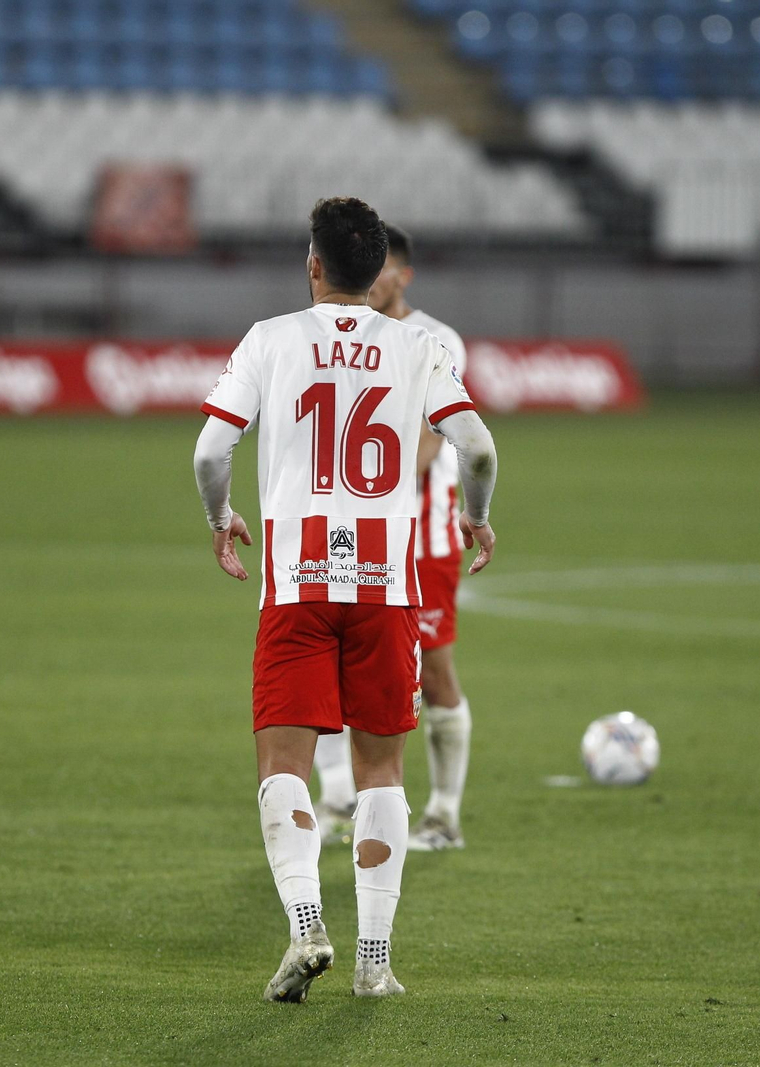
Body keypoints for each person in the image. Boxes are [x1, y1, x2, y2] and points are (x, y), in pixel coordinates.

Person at [193, 198, 499, 1002]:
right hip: (385, 587)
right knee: (381, 769)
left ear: (313, 265)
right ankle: (374, 960)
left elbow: (211, 447)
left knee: (284, 763)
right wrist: (474, 513)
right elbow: (478, 446)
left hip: (297, 584)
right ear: (381, 273)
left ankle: (304, 924)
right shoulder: (419, 344)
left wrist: (220, 517)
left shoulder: (271, 338)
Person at [312, 225, 476, 852]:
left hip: (422, 537)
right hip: (349, 532)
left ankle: (444, 813)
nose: (370, 282)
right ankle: (335, 797)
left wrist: (364, 480)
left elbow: (433, 443)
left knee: (432, 675)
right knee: (328, 665)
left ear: (402, 275)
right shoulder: (344, 337)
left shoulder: (435, 341)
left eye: (382, 271)